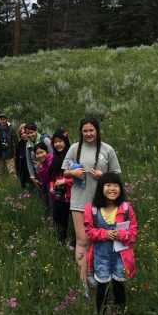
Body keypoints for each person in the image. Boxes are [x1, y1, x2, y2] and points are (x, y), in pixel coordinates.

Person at [62, 115, 121, 284]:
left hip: (103, 204)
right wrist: (73, 173)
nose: (88, 134)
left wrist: (104, 177)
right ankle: (83, 280)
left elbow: (116, 176)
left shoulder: (107, 150)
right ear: (81, 132)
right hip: (79, 202)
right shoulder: (74, 148)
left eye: (91, 130)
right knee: (82, 240)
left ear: (97, 131)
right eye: (85, 131)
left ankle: (95, 272)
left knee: (100, 239)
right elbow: (65, 171)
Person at [84, 172, 137, 315]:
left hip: (121, 257)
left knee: (119, 290)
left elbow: (133, 232)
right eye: (107, 185)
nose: (112, 188)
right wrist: (105, 233)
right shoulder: (91, 210)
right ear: (101, 188)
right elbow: (89, 232)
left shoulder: (126, 208)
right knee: (102, 290)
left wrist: (122, 234)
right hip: (101, 257)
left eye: (115, 185)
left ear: (120, 189)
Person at [48, 129, 72, 243]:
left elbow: (80, 176)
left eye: (60, 141)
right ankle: (61, 243)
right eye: (55, 142)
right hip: (59, 197)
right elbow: (51, 176)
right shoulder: (55, 158)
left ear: (65, 141)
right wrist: (52, 186)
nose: (58, 144)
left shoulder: (73, 156)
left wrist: (65, 181)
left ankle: (75, 242)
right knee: (59, 222)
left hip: (73, 196)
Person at [25, 123, 53, 190]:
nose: (30, 135)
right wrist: (32, 177)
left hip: (49, 173)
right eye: (27, 133)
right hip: (38, 174)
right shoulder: (28, 144)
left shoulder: (45, 140)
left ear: (36, 131)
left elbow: (53, 156)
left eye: (32, 132)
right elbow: (29, 161)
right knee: (42, 195)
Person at [34, 141, 54, 212]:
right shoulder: (42, 163)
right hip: (50, 189)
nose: (40, 155)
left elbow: (51, 177)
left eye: (42, 152)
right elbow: (44, 181)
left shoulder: (51, 160)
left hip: (56, 188)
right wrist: (40, 168)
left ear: (46, 151)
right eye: (37, 154)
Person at [15, 124, 31, 189]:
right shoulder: (19, 144)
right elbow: (17, 160)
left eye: (24, 132)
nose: (23, 135)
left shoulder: (32, 142)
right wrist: (18, 172)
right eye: (21, 134)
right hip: (23, 171)